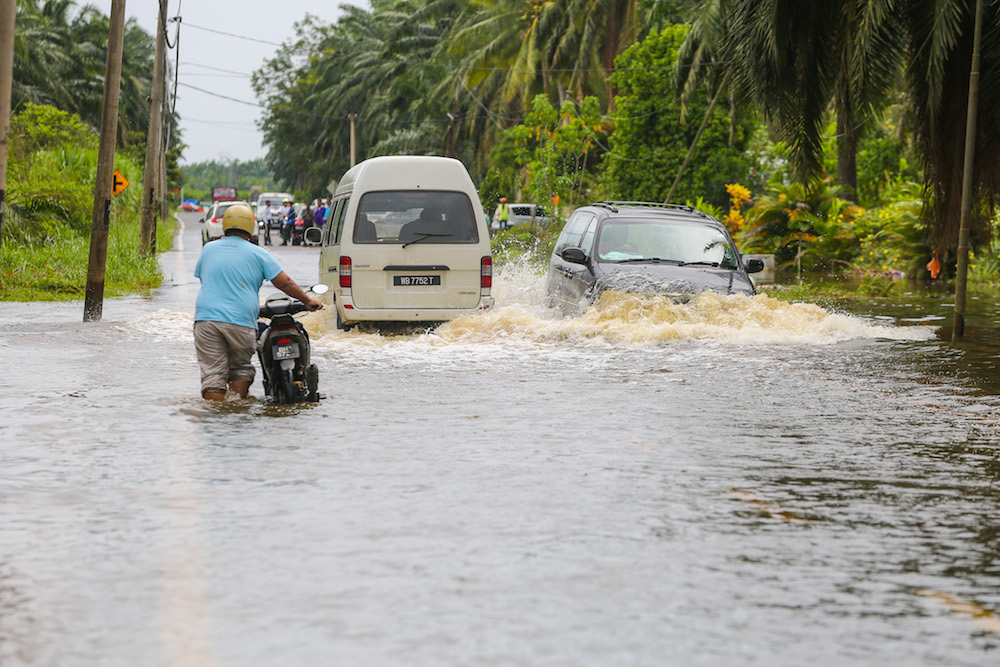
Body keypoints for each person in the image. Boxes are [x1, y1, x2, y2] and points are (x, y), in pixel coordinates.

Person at [193, 204, 323, 401]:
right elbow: (285, 283)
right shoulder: (258, 253)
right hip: (241, 320)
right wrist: (307, 300)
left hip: (206, 320)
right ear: (251, 227)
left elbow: (205, 280)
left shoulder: (208, 249)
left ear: (225, 225)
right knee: (240, 370)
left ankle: (216, 415)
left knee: (213, 375)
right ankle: (237, 408)